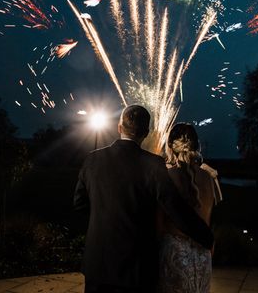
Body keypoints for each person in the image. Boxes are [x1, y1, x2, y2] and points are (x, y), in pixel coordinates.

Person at [74, 105, 214, 293]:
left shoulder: (92, 159)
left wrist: (102, 224)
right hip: (136, 267)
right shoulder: (154, 164)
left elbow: (79, 204)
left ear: (119, 127)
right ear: (146, 133)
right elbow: (175, 208)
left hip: (98, 263)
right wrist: (205, 236)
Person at [156, 123, 223, 293]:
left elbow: (159, 223)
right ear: (197, 145)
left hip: (174, 255)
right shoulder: (209, 178)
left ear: (170, 146)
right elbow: (208, 219)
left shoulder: (166, 176)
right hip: (203, 255)